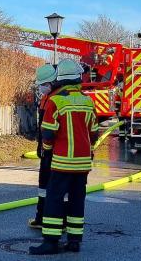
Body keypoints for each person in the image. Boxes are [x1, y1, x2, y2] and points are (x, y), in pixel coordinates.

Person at [29, 59, 98, 256]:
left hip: (62, 162)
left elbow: (48, 133)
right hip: (83, 163)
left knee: (54, 199)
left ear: (60, 79)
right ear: (78, 78)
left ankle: (51, 241)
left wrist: (46, 149)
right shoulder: (87, 101)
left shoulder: (55, 101)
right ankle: (74, 240)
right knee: (77, 199)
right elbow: (94, 131)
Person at [28, 64, 59, 229]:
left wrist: (46, 148)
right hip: (46, 149)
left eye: (44, 84)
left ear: (52, 82)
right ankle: (41, 217)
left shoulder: (55, 99)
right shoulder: (46, 98)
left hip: (52, 150)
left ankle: (51, 220)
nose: (41, 87)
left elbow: (49, 129)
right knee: (44, 185)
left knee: (53, 185)